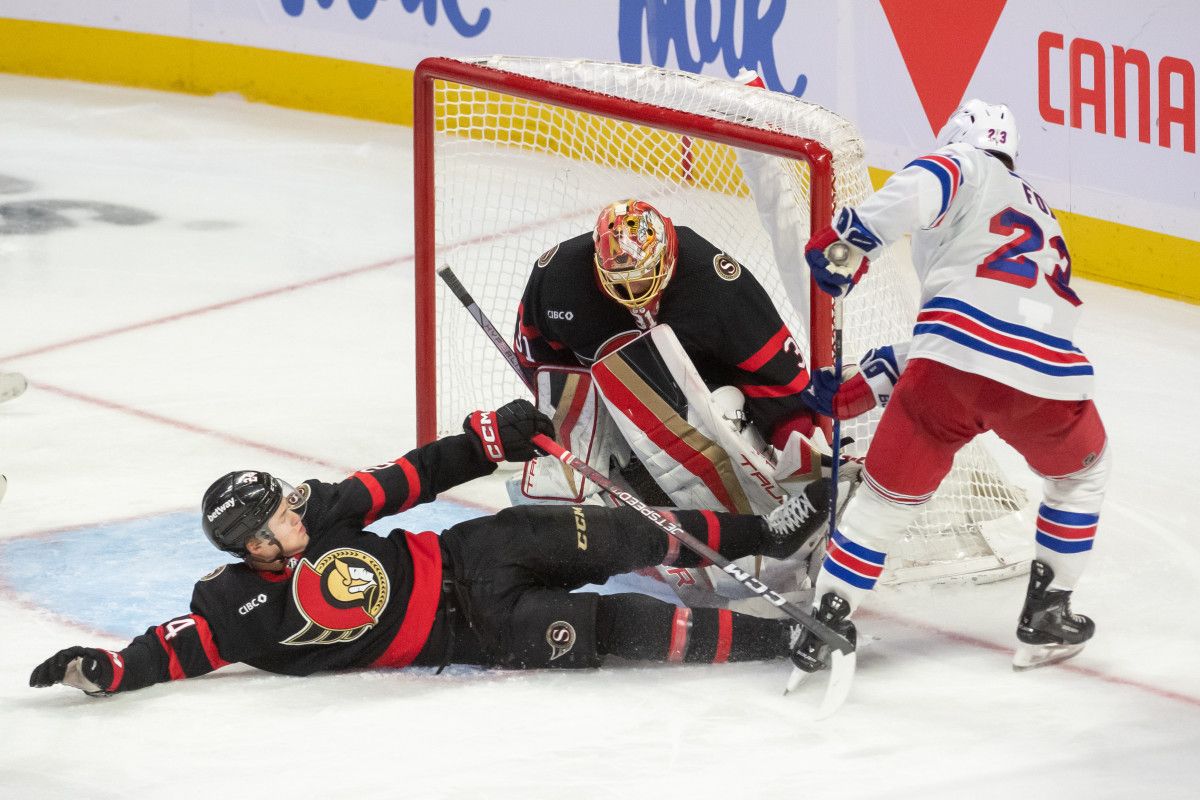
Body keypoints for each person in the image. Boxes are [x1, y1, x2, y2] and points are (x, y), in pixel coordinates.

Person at [30, 399, 828, 696]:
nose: (291, 508)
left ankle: (771, 531)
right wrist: (106, 669)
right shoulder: (240, 608)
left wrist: (487, 442)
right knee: (618, 626)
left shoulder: (319, 511)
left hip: (473, 553)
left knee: (624, 529)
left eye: (281, 498)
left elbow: (405, 480)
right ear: (257, 546)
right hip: (476, 631)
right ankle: (782, 634)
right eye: (275, 512)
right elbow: (178, 647)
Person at [792, 99, 1109, 677]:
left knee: (883, 504)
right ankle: (1048, 614)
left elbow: (927, 186)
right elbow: (1005, 327)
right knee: (1082, 472)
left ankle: (826, 618)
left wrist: (849, 243)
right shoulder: (1043, 214)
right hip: (1044, 378)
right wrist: (865, 382)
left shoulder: (966, 165)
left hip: (947, 368)